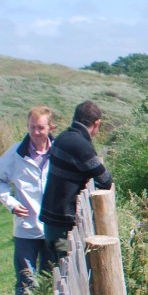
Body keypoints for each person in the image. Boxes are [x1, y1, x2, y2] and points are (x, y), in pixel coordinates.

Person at [0, 105, 54, 295]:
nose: (35, 132)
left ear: (51, 128)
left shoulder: (58, 153)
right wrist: (11, 203)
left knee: (51, 281)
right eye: (32, 127)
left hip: (52, 228)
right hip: (26, 229)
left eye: (40, 127)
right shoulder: (16, 153)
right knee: (26, 283)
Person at [39, 100, 112, 258]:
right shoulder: (80, 145)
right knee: (64, 260)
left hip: (51, 220)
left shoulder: (62, 138)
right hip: (63, 226)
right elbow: (105, 180)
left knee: (55, 268)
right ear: (96, 123)